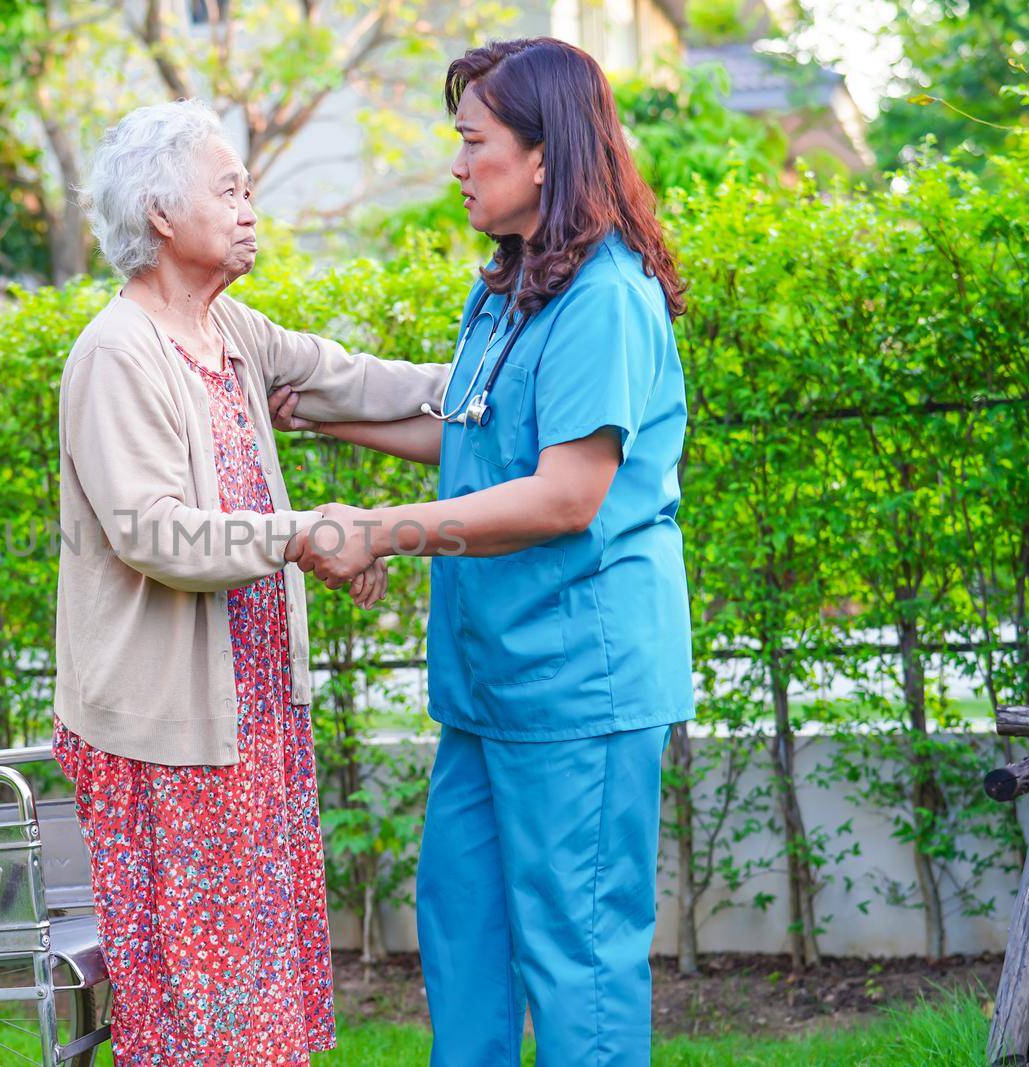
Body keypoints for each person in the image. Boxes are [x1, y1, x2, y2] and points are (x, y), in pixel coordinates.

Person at [274, 38, 694, 1067]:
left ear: (544, 155)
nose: (456, 166)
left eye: (474, 143)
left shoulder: (605, 295)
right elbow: (471, 431)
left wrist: (376, 530)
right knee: (464, 940)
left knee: (577, 962)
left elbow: (564, 493)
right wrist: (317, 416)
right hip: (488, 686)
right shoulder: (512, 287)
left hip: (576, 686)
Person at [53, 99, 447, 1065]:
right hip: (167, 735)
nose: (248, 205)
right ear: (159, 213)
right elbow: (154, 533)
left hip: (252, 717)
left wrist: (500, 380)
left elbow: (353, 381)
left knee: (258, 988)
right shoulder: (117, 351)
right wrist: (305, 531)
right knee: (199, 1005)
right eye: (227, 188)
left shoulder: (230, 331)